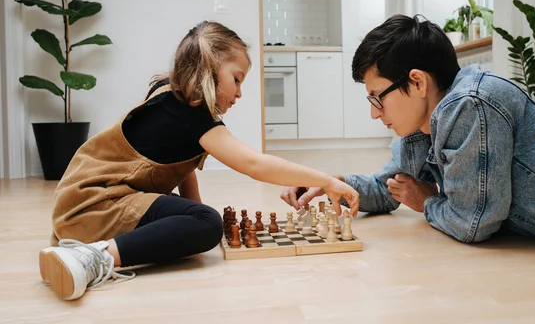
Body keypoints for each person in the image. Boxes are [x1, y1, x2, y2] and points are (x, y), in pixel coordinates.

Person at [40, 21, 360, 301]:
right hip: (94, 202)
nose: (239, 94)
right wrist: (327, 180)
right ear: (210, 68)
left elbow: (180, 163)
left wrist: (192, 216)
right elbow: (255, 164)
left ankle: (87, 250)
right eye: (236, 79)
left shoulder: (174, 98)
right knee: (208, 223)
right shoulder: (191, 115)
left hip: (87, 201)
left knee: (204, 221)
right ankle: (92, 260)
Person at [281, 13, 535, 247]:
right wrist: (329, 183)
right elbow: (388, 189)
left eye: (378, 98)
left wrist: (427, 202)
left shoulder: (470, 104)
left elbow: (473, 223)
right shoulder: (423, 126)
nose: (374, 114)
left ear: (417, 82)